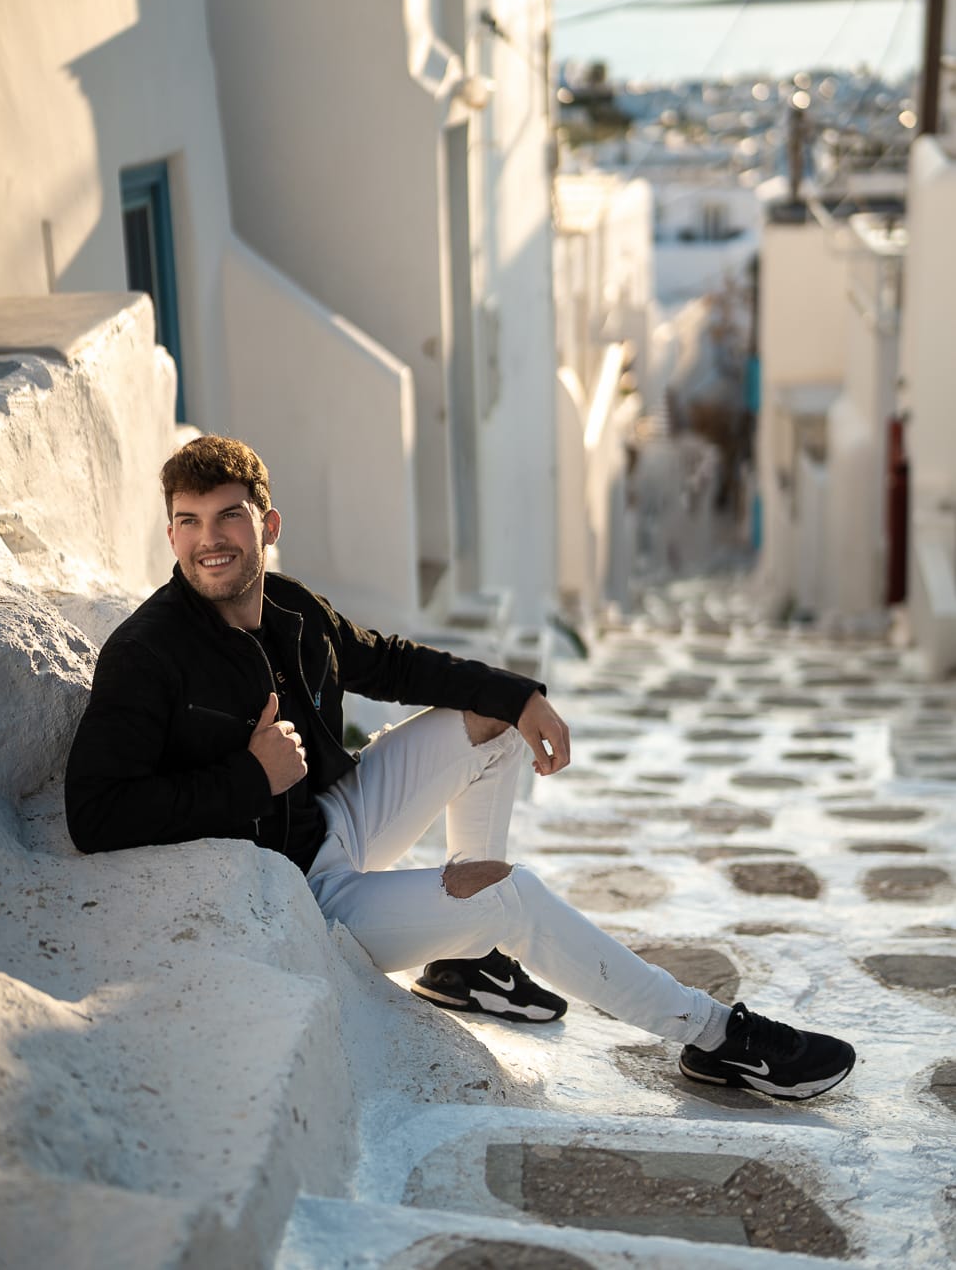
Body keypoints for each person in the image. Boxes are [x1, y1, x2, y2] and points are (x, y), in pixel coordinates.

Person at [65, 436, 856, 1100]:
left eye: (228, 516)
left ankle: (465, 964)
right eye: (189, 521)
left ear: (266, 524)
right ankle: (715, 1037)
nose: (209, 539)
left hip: (334, 817)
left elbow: (389, 662)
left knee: (490, 724)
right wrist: (250, 779)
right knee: (512, 896)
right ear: (170, 535)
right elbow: (94, 814)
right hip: (299, 891)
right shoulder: (147, 653)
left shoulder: (291, 608)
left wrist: (518, 695)